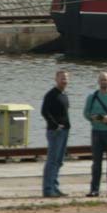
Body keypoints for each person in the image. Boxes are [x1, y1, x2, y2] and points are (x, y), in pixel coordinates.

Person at [39, 68, 72, 199]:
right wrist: (54, 125)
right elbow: (44, 111)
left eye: (66, 78)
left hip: (65, 131)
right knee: (52, 161)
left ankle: (55, 187)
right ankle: (48, 189)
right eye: (62, 78)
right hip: (55, 132)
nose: (64, 80)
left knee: (59, 161)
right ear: (56, 79)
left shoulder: (64, 94)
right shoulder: (51, 94)